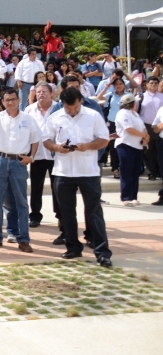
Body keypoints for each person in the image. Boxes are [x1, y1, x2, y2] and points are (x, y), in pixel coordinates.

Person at [43, 87, 113, 267]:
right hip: (63, 171)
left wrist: (88, 146)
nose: (71, 111)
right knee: (66, 212)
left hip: (88, 171)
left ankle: (102, 251)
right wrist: (58, 148)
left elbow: (104, 139)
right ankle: (73, 246)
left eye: (74, 107)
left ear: (80, 101)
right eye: (68, 108)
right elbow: (46, 140)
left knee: (94, 212)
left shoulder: (93, 115)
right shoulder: (55, 117)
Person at [0, 88, 41, 253]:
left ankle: (23, 239)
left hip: (18, 161)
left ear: (18, 100)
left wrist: (32, 157)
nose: (10, 103)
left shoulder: (28, 119)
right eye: (7, 100)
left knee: (21, 202)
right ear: (2, 101)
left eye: (13, 99)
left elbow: (35, 140)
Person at [24, 82, 56, 228]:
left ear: (51, 93)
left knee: (58, 187)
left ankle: (60, 215)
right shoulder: (29, 110)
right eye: (38, 92)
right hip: (37, 154)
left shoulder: (59, 108)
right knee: (36, 186)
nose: (41, 94)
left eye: (44, 91)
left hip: (56, 153)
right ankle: (35, 215)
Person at [114, 93, 147, 206]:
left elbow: (144, 128)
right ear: (131, 103)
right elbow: (129, 129)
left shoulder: (136, 115)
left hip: (137, 146)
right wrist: (143, 135)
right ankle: (126, 197)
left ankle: (133, 196)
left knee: (135, 173)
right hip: (125, 145)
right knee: (127, 171)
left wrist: (146, 137)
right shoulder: (122, 113)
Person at [138, 76, 162, 181]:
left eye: (156, 83)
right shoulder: (140, 97)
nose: (153, 85)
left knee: (159, 150)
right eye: (151, 83)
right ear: (146, 84)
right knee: (148, 151)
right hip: (146, 126)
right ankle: (152, 172)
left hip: (159, 126)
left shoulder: (161, 96)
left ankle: (160, 171)